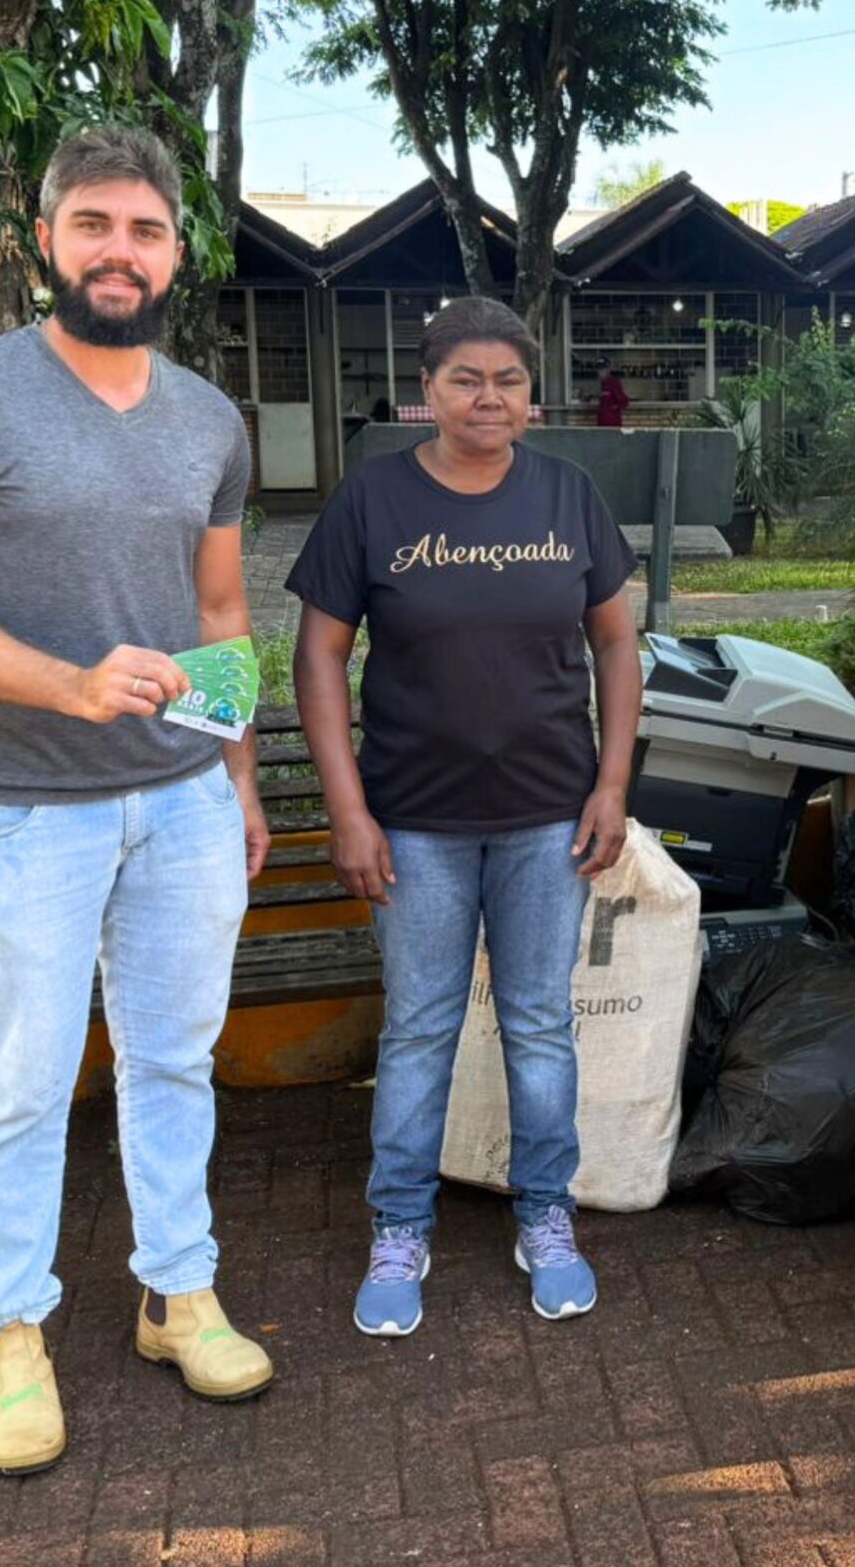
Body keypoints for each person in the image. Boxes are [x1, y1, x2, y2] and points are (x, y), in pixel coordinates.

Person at [0, 123, 276, 1477]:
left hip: (182, 800)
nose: (120, 250)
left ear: (176, 252)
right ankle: (11, 1329)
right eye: (93, 223)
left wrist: (236, 774)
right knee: (23, 1080)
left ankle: (178, 1292)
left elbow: (218, 612)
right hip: (22, 805)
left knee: (174, 1057)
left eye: (145, 229)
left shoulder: (209, 418)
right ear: (44, 239)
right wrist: (71, 684)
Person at [289, 295, 643, 1339]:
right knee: (418, 1028)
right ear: (427, 391)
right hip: (413, 822)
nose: (488, 398)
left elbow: (615, 644)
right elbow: (319, 654)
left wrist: (612, 784)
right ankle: (400, 1224)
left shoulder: (568, 493)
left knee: (538, 1024)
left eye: (508, 381)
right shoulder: (373, 498)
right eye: (465, 379)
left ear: (532, 395)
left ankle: (546, 1213)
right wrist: (348, 808)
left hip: (548, 816)